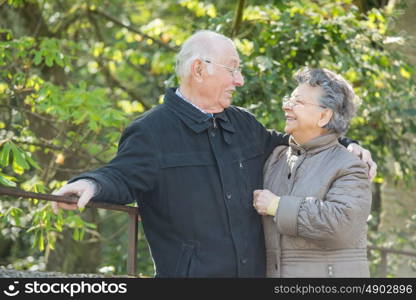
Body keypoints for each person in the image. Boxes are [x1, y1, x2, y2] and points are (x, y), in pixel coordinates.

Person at [53, 31, 376, 277]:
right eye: (233, 69)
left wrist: (347, 145)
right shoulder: (152, 131)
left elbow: (290, 142)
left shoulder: (241, 121)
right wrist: (90, 184)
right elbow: (122, 174)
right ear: (199, 69)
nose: (240, 80)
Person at [253, 67, 372, 277]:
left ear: (324, 116)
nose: (286, 107)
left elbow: (342, 224)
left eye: (297, 102)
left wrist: (277, 206)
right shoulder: (275, 159)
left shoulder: (351, 165)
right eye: (288, 99)